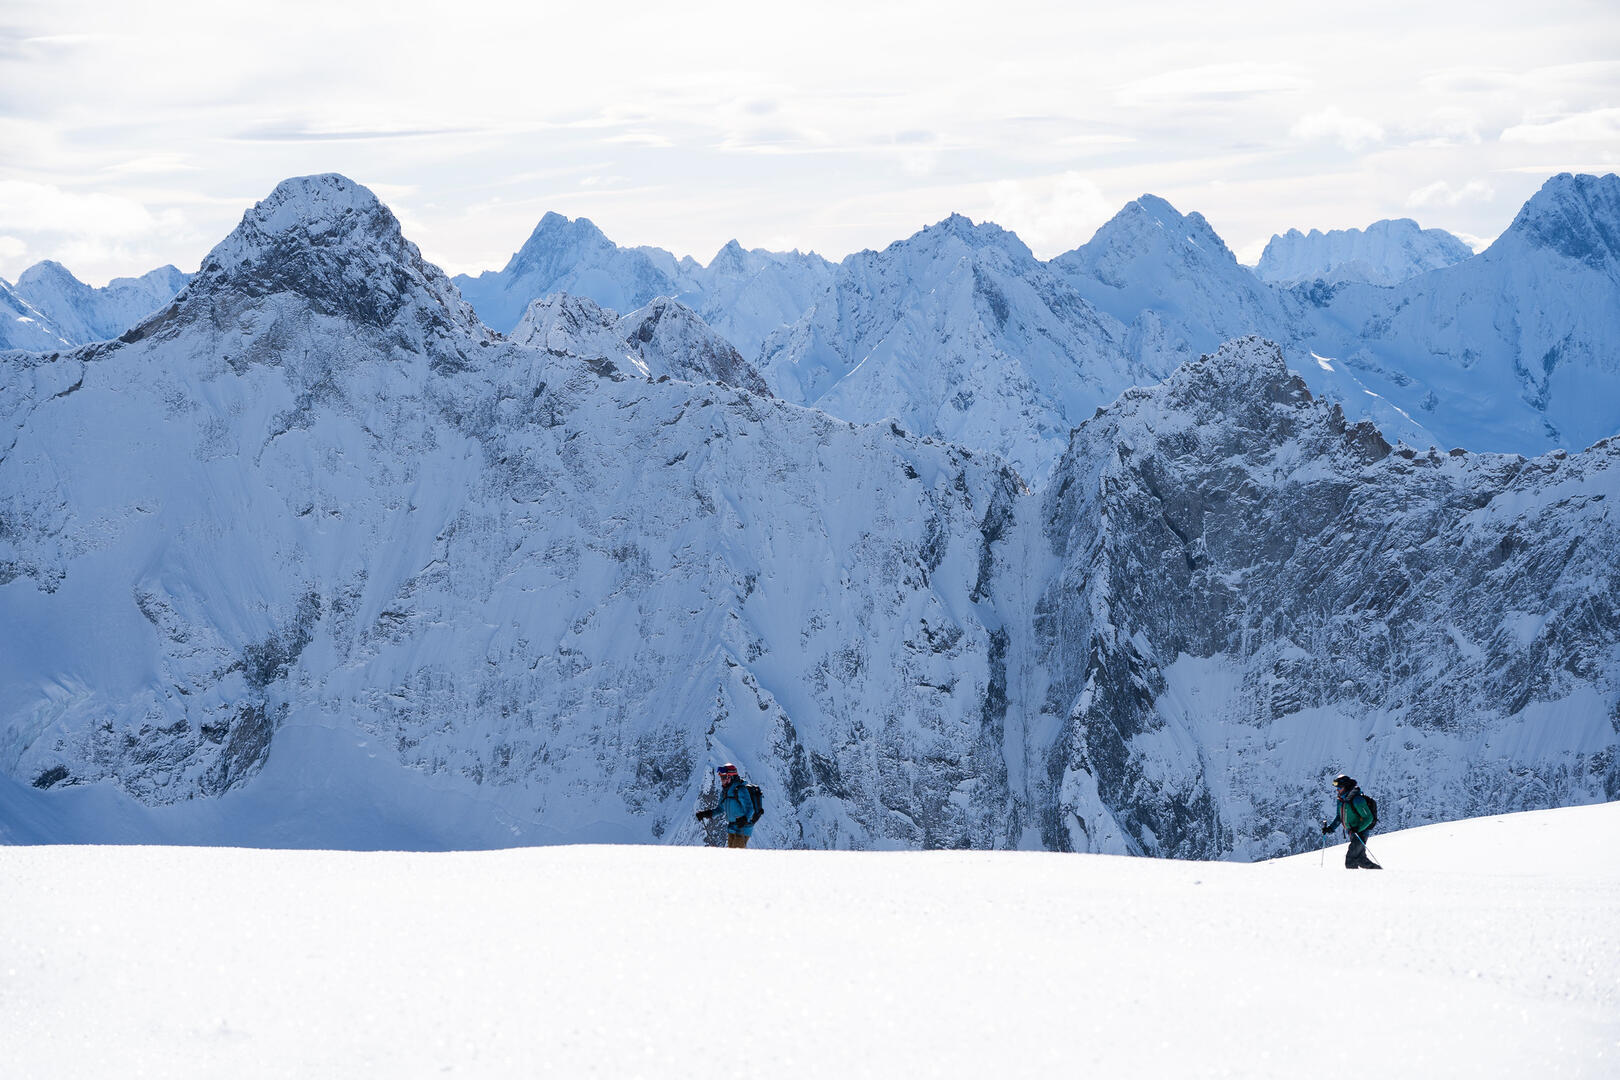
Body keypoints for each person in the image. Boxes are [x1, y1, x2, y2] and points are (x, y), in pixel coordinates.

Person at [1321, 774, 1382, 869]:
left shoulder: (1357, 800)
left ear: (1346, 787)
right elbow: (1339, 817)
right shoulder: (1341, 800)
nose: (1337, 790)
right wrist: (1330, 829)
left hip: (1361, 833)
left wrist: (1358, 828)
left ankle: (1353, 882)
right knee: (1361, 860)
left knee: (1350, 860)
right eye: (1337, 788)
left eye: (1339, 787)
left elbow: (1369, 818)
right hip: (1353, 833)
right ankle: (1381, 874)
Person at [695, 763, 757, 848]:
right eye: (721, 777)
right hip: (732, 827)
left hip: (743, 828)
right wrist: (705, 814)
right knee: (731, 855)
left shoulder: (740, 790)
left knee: (735, 855)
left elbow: (750, 809)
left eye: (724, 777)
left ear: (730, 777)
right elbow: (720, 809)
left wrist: (744, 820)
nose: (722, 780)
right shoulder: (725, 792)